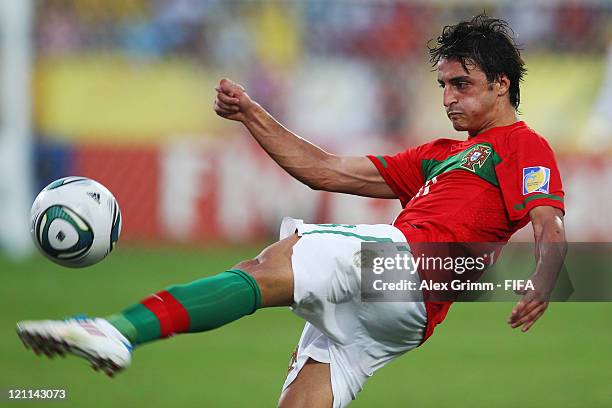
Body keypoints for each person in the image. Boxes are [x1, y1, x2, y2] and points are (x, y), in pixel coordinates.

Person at [17, 14, 567, 408]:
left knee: (277, 260)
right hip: (400, 317)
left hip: (415, 269)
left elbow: (549, 222)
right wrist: (252, 115)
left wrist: (542, 279)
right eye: (443, 85)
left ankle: (117, 330)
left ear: (501, 85)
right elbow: (325, 170)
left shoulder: (522, 145)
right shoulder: (436, 156)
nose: (449, 97)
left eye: (462, 85)